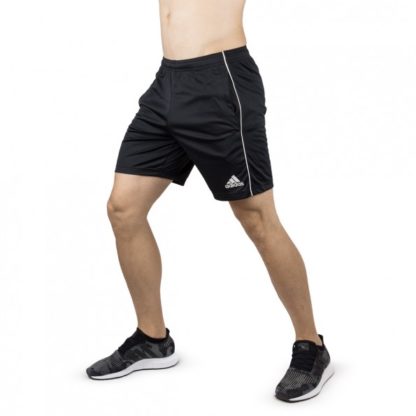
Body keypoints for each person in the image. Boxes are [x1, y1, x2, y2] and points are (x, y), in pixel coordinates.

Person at [85, 0, 334, 402]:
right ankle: (152, 338)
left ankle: (311, 345)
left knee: (257, 219)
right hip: (167, 82)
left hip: (220, 81)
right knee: (123, 208)